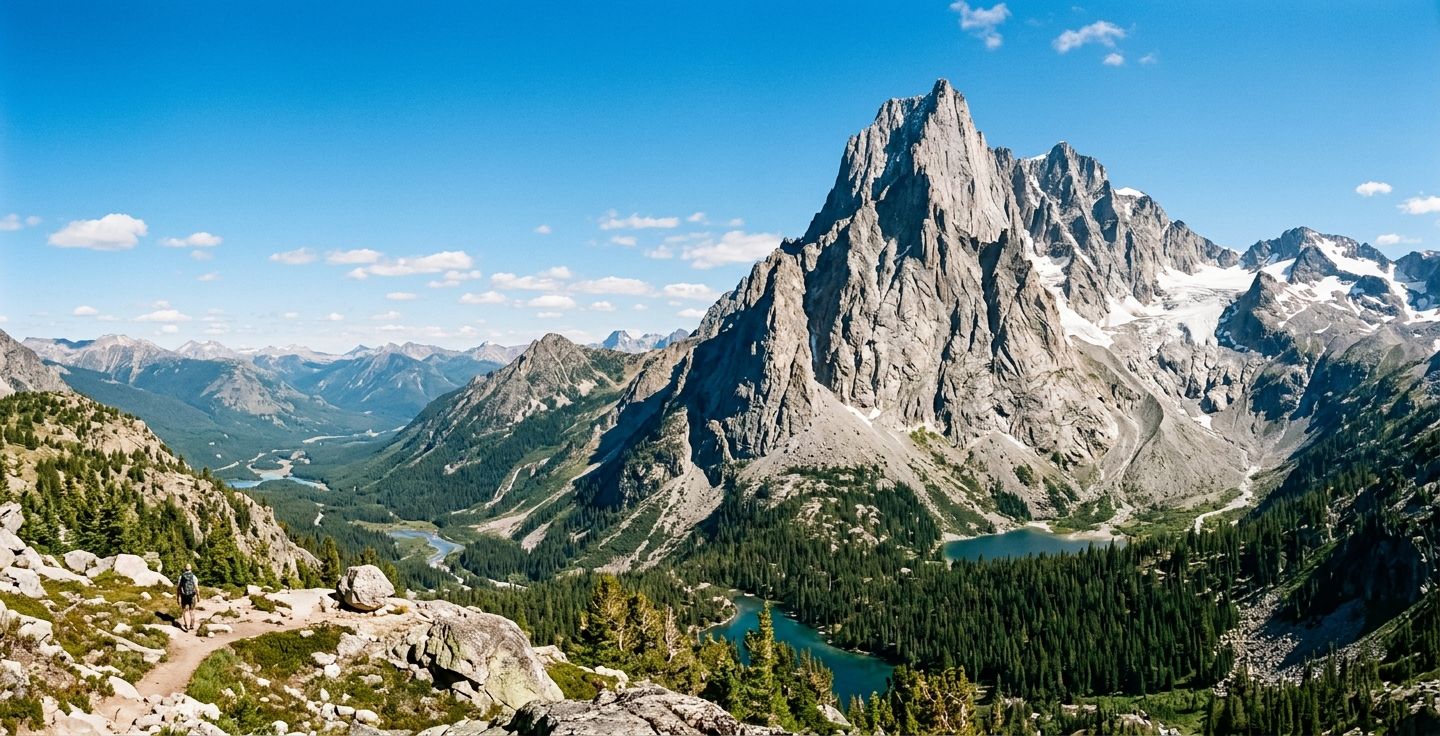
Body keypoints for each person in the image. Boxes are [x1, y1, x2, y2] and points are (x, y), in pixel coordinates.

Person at [177, 564, 199, 632]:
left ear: (184, 569)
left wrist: (177, 597)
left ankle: (187, 626)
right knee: (192, 610)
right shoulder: (194, 577)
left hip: (184, 596)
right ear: (191, 569)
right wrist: (198, 596)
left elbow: (178, 588)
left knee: (185, 611)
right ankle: (192, 625)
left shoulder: (181, 577)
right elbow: (196, 588)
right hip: (192, 596)